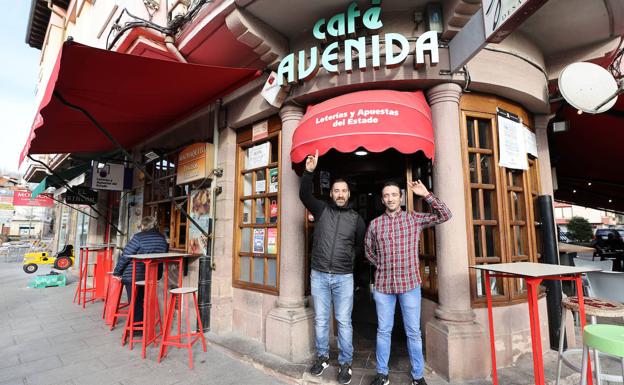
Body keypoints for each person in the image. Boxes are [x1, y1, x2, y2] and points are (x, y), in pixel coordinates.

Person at [365, 180, 451, 385]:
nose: (390, 199)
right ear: (382, 199)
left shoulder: (413, 218)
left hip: (409, 286)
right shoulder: (376, 224)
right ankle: (382, 374)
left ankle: (418, 376)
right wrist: (383, 264)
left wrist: (426, 194)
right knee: (383, 331)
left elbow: (445, 215)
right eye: (386, 195)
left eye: (394, 194)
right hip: (384, 287)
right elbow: (368, 252)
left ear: (401, 197)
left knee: (413, 332)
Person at [300, 149, 366, 385]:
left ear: (349, 194)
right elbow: (304, 195)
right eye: (336, 190)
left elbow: (360, 246)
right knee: (321, 319)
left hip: (343, 277)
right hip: (318, 274)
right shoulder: (321, 210)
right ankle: (322, 357)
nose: (340, 194)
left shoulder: (357, 219)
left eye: (344, 191)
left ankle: (345, 362)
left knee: (344, 321)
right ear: (331, 193)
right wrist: (309, 172)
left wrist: (348, 258)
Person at [113, 216, 168, 332]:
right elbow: (161, 259)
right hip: (151, 276)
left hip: (134, 276)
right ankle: (147, 325)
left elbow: (126, 256)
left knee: (135, 301)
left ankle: (137, 329)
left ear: (143, 226)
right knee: (144, 300)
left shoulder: (138, 237)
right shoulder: (162, 239)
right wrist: (157, 276)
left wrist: (117, 272)